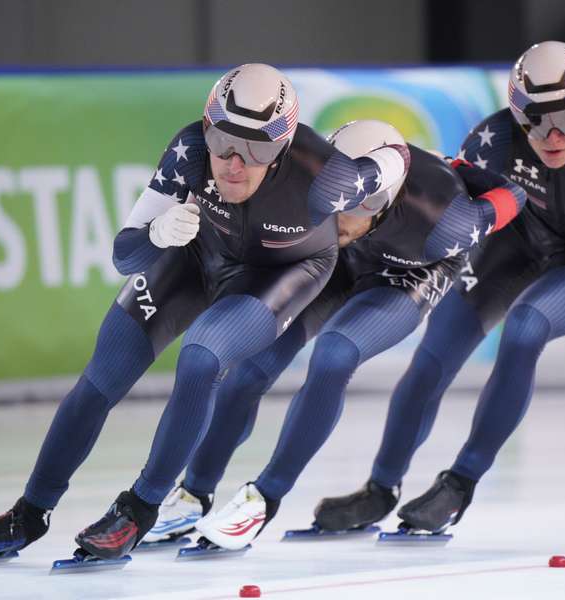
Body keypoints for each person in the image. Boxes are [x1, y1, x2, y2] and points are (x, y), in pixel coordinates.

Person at [0, 64, 412, 561]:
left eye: (256, 148)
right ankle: (30, 512)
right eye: (223, 141)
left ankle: (140, 509)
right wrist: (154, 234)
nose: (234, 163)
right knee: (101, 376)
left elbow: (394, 156)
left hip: (282, 273)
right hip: (199, 253)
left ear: (281, 148)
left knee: (200, 358)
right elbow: (124, 256)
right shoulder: (190, 150)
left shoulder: (324, 176)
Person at [308, 40, 565, 536]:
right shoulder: (494, 142)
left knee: (527, 326)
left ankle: (459, 484)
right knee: (437, 350)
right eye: (533, 117)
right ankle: (381, 488)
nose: (551, 134)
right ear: (515, 114)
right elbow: (447, 201)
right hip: (523, 236)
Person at [139, 118, 527, 551]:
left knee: (334, 354)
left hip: (412, 269)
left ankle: (264, 497)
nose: (342, 215)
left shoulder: (445, 220)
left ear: (382, 202)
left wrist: (459, 166)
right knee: (252, 365)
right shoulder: (319, 187)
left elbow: (515, 194)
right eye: (334, 200)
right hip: (337, 259)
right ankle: (194, 493)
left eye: (358, 206)